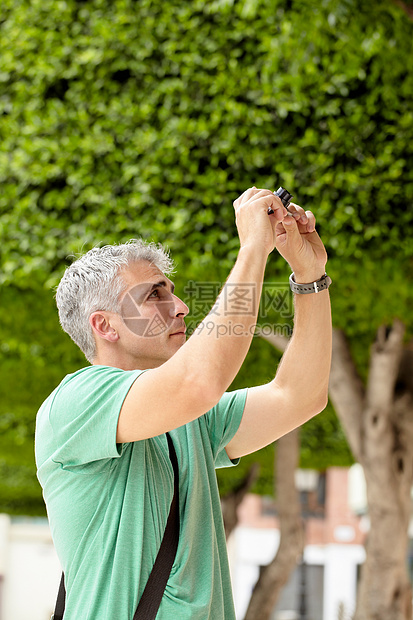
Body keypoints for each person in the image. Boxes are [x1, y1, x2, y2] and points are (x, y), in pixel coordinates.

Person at [35, 187, 332, 620]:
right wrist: (253, 248)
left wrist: (310, 277)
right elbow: (200, 381)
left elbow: (299, 396)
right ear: (105, 326)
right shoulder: (76, 402)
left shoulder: (186, 417)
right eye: (155, 294)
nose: (180, 306)